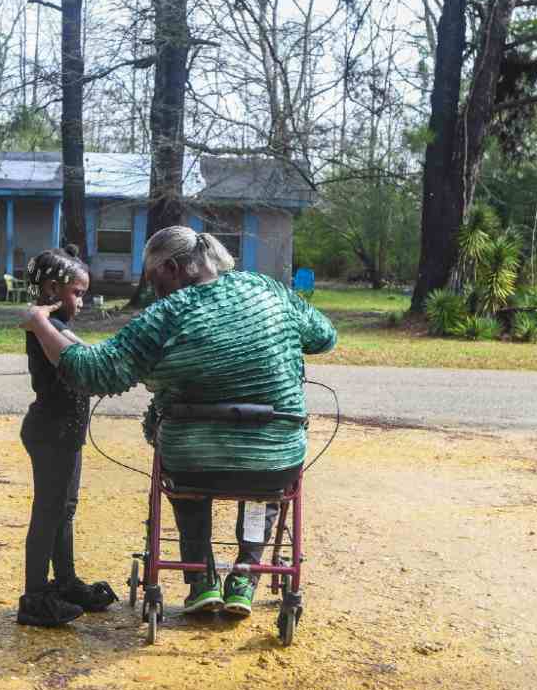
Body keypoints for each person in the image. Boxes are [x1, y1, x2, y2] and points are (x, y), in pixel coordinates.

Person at [21, 227, 336, 619]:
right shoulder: (267, 289)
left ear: (172, 268)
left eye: (154, 280)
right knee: (263, 485)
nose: (154, 291)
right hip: (275, 461)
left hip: (193, 462)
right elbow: (324, 336)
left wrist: (38, 322)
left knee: (187, 471)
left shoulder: (166, 315)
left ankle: (201, 577)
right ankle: (246, 574)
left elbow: (91, 371)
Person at [17, 246, 118, 627]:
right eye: (77, 292)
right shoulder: (45, 328)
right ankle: (35, 596)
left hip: (65, 432)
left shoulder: (58, 326)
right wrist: (38, 311)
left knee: (64, 509)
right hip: (50, 432)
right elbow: (70, 359)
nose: (82, 300)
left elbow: (86, 355)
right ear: (51, 290)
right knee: (48, 512)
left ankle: (65, 581)